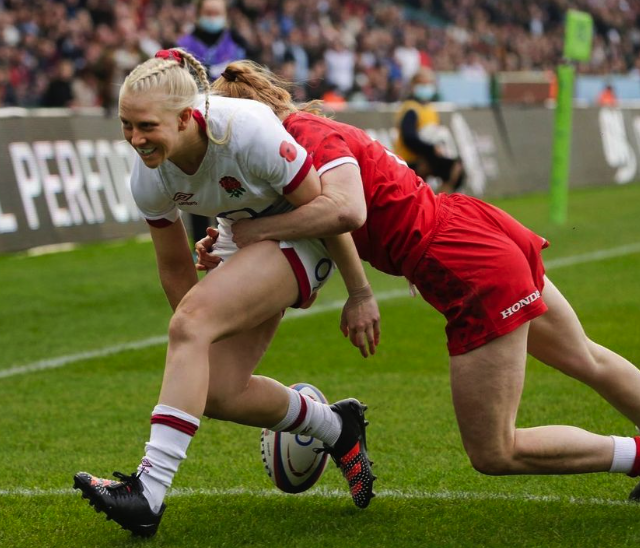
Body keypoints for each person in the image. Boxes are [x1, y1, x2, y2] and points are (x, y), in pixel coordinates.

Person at [198, 59, 640, 501]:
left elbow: (343, 211)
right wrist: (228, 243)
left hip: (465, 263)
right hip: (472, 229)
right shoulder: (297, 138)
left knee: (495, 450)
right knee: (587, 358)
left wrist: (343, 282)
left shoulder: (305, 137)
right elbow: (303, 232)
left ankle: (635, 455)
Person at [72, 49, 379, 538]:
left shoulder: (245, 132)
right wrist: (202, 334)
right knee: (219, 391)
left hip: (304, 234)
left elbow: (328, 211)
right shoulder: (147, 174)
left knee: (192, 323)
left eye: (146, 125)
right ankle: (335, 427)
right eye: (125, 125)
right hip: (243, 235)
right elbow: (174, 267)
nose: (135, 138)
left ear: (186, 116)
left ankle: (147, 492)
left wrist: (359, 291)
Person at [177, 0, 258, 245]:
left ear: (225, 16)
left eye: (217, 13)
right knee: (197, 184)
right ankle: (202, 244)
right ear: (199, 15)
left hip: (235, 126)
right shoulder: (183, 47)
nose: (212, 17)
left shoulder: (239, 45)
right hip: (196, 126)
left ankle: (240, 239)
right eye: (208, 13)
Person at [393, 67, 465, 194]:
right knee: (453, 168)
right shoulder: (411, 108)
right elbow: (409, 138)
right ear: (414, 85)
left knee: (456, 169)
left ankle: (440, 201)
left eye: (429, 84)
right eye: (422, 84)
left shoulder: (430, 109)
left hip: (427, 156)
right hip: (410, 160)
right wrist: (431, 149)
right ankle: (437, 203)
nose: (426, 87)